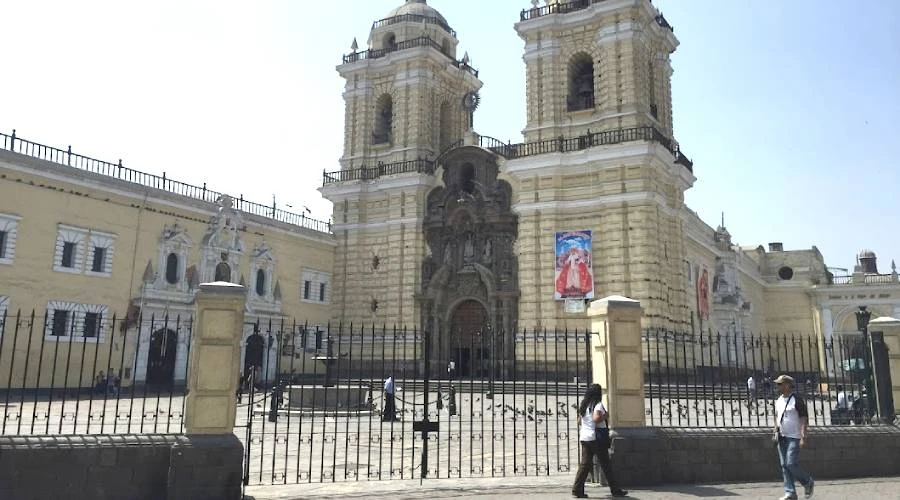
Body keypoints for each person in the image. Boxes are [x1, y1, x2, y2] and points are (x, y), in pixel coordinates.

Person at [571, 384, 627, 498]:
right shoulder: (597, 405)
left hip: (585, 437)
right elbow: (596, 419)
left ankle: (577, 489)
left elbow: (579, 421)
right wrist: (605, 416)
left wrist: (588, 424)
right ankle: (615, 490)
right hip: (596, 438)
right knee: (606, 464)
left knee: (584, 465)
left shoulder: (584, 405)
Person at [773, 374, 814, 499]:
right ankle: (790, 492)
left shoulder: (796, 399)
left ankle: (807, 482)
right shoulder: (779, 399)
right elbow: (777, 416)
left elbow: (803, 418)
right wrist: (775, 430)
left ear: (788, 385)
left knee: (790, 463)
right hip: (782, 436)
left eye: (780, 384)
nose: (777, 386)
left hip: (794, 437)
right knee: (784, 465)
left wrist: (803, 436)